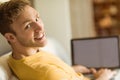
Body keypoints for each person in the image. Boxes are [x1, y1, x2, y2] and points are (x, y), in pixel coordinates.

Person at [0, 0, 116, 80]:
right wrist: (103, 77)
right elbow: (47, 74)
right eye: (28, 26)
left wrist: (70, 69)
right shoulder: (45, 72)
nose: (40, 27)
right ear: (11, 37)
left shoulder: (21, 57)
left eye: (37, 18)